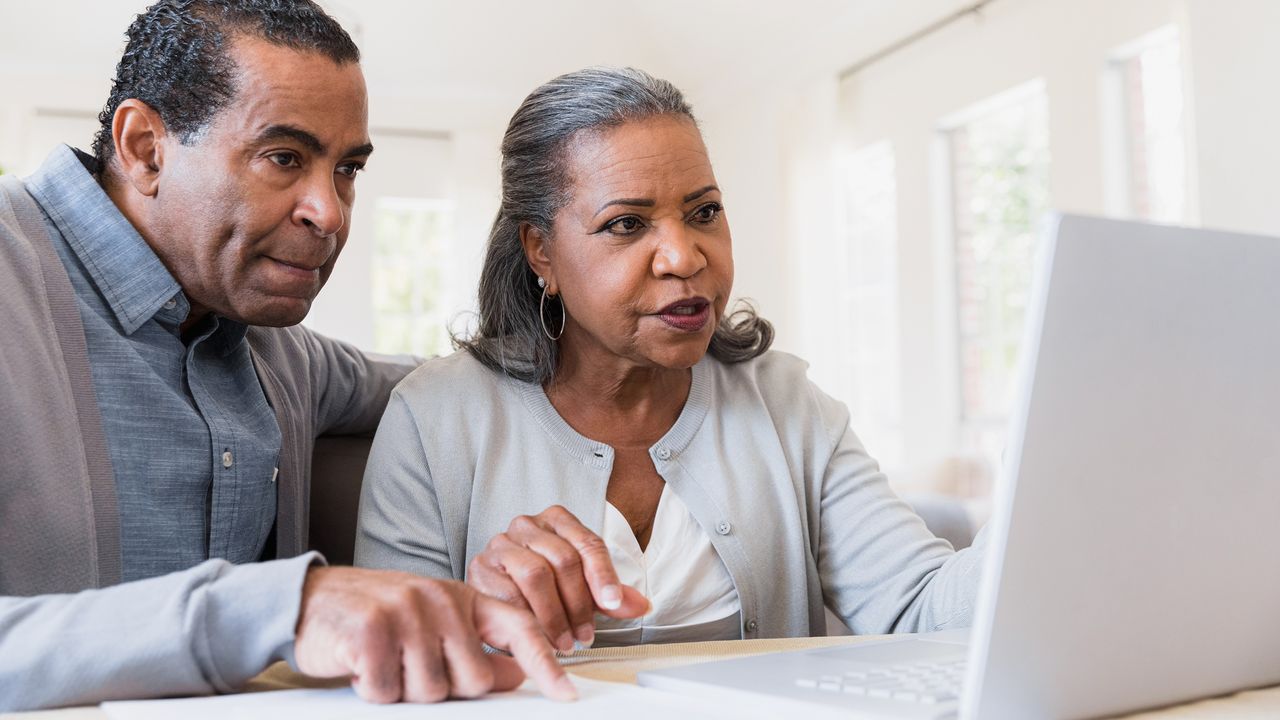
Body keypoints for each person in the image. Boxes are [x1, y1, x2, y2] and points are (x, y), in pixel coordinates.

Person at [0, 0, 571, 711]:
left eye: (347, 170)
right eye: (284, 158)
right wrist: (279, 608)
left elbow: (437, 383)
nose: (329, 213)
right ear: (146, 148)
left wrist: (605, 350)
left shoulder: (281, 354)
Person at [355, 67, 986, 653]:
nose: (684, 257)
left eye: (704, 212)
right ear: (541, 252)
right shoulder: (432, 419)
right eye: (627, 225)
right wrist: (471, 618)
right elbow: (393, 660)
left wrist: (1051, 508)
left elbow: (921, 610)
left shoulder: (788, 406)